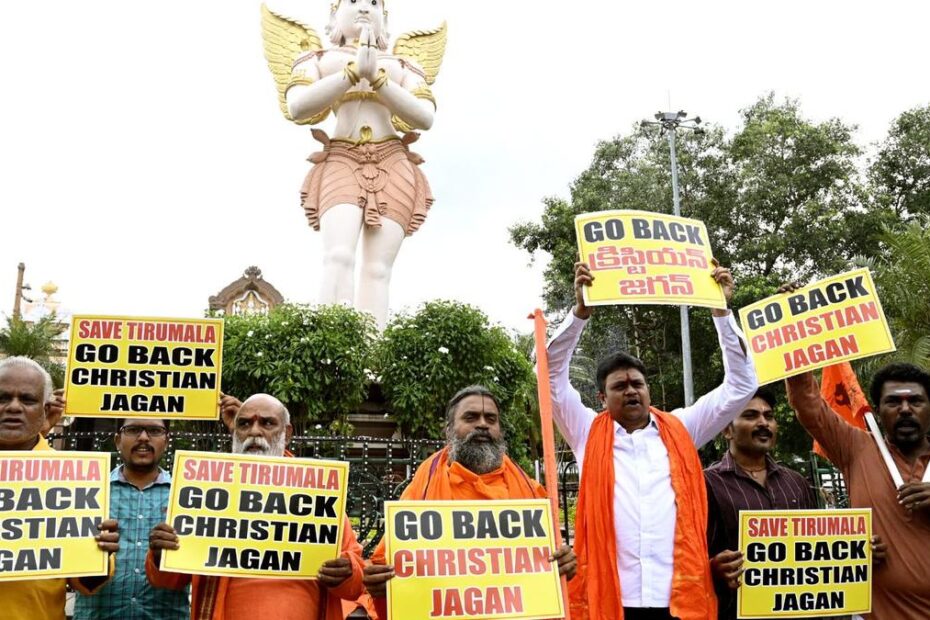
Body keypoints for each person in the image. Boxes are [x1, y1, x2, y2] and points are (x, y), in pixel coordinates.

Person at [548, 261, 758, 620]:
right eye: (620, 386)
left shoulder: (680, 428)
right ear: (602, 398)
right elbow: (550, 377)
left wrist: (722, 312)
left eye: (637, 384)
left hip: (677, 599)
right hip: (611, 598)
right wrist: (579, 314)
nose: (631, 390)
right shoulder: (586, 431)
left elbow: (741, 386)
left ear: (647, 390)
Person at [266, 0, 445, 327]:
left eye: (374, 3)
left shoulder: (401, 64)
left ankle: (371, 359)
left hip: (393, 161)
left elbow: (424, 117)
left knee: (378, 269)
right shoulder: (320, 59)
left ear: (384, 18)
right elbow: (297, 106)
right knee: (338, 255)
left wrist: (377, 79)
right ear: (335, 14)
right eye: (353, 1)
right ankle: (332, 345)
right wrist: (351, 73)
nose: (364, 7)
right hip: (342, 158)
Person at [363, 386, 577, 619]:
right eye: (471, 417)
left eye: (491, 419)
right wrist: (379, 580)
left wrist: (564, 563)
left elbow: (551, 562)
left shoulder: (530, 492)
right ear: (448, 430)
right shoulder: (423, 488)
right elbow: (386, 564)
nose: (483, 424)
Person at [146, 393, 365, 620]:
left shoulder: (317, 494)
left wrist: (346, 571)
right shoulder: (207, 491)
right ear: (234, 432)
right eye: (244, 423)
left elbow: (355, 584)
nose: (254, 432)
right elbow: (166, 579)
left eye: (267, 423)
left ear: (287, 434)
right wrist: (161, 553)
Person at [787, 361, 930, 619]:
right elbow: (808, 405)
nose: (905, 410)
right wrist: (849, 547)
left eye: (916, 402)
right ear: (877, 411)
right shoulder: (856, 448)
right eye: (893, 402)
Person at [0, 356, 119, 620]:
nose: (13, 407)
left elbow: (86, 584)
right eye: (3, 398)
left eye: (27, 400)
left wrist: (99, 550)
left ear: (45, 411)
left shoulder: (73, 479)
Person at [703, 388, 818, 620]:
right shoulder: (705, 483)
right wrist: (711, 569)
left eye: (769, 416)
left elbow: (820, 547)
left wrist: (862, 550)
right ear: (727, 429)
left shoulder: (796, 483)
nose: (763, 422)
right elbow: (686, 557)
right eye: (750, 415)